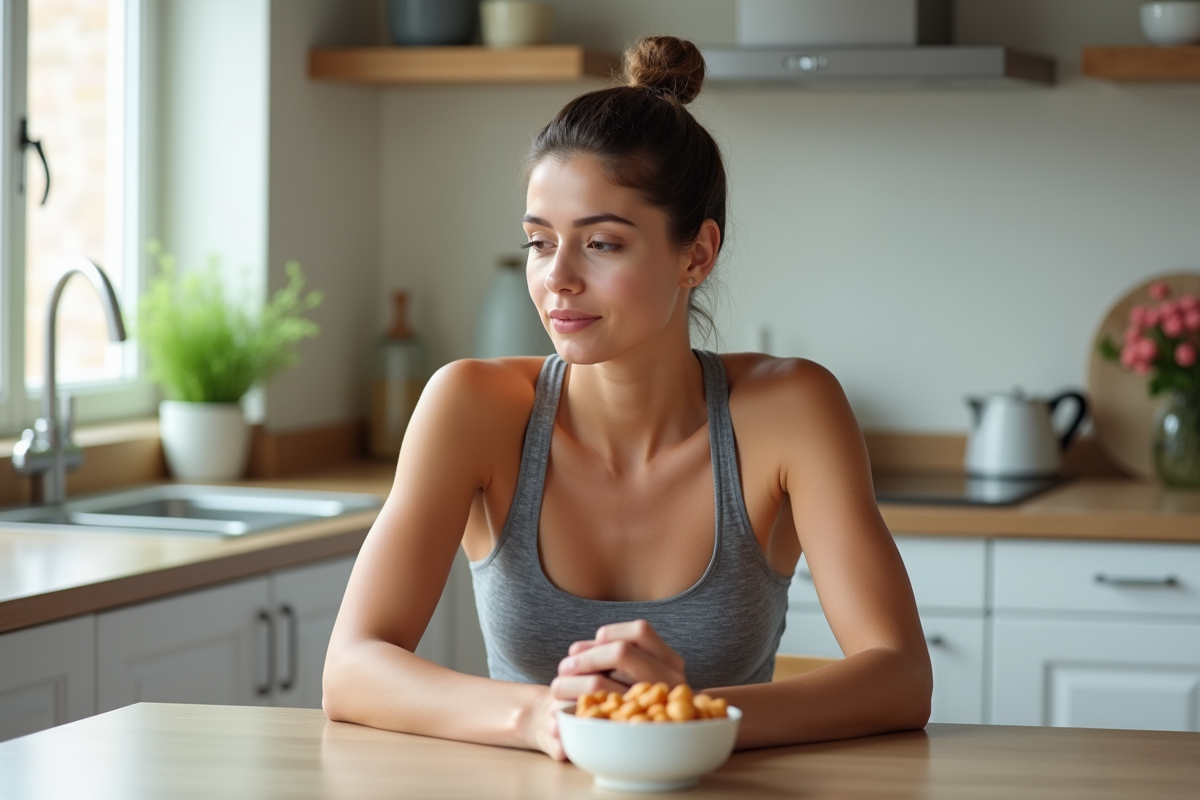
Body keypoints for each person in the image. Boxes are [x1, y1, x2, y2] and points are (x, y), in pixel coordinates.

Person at [323, 35, 932, 760]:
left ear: (696, 255)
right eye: (540, 242)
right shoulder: (471, 406)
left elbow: (900, 677)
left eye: (602, 243)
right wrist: (541, 719)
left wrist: (679, 715)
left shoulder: (792, 409)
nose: (558, 278)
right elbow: (351, 669)